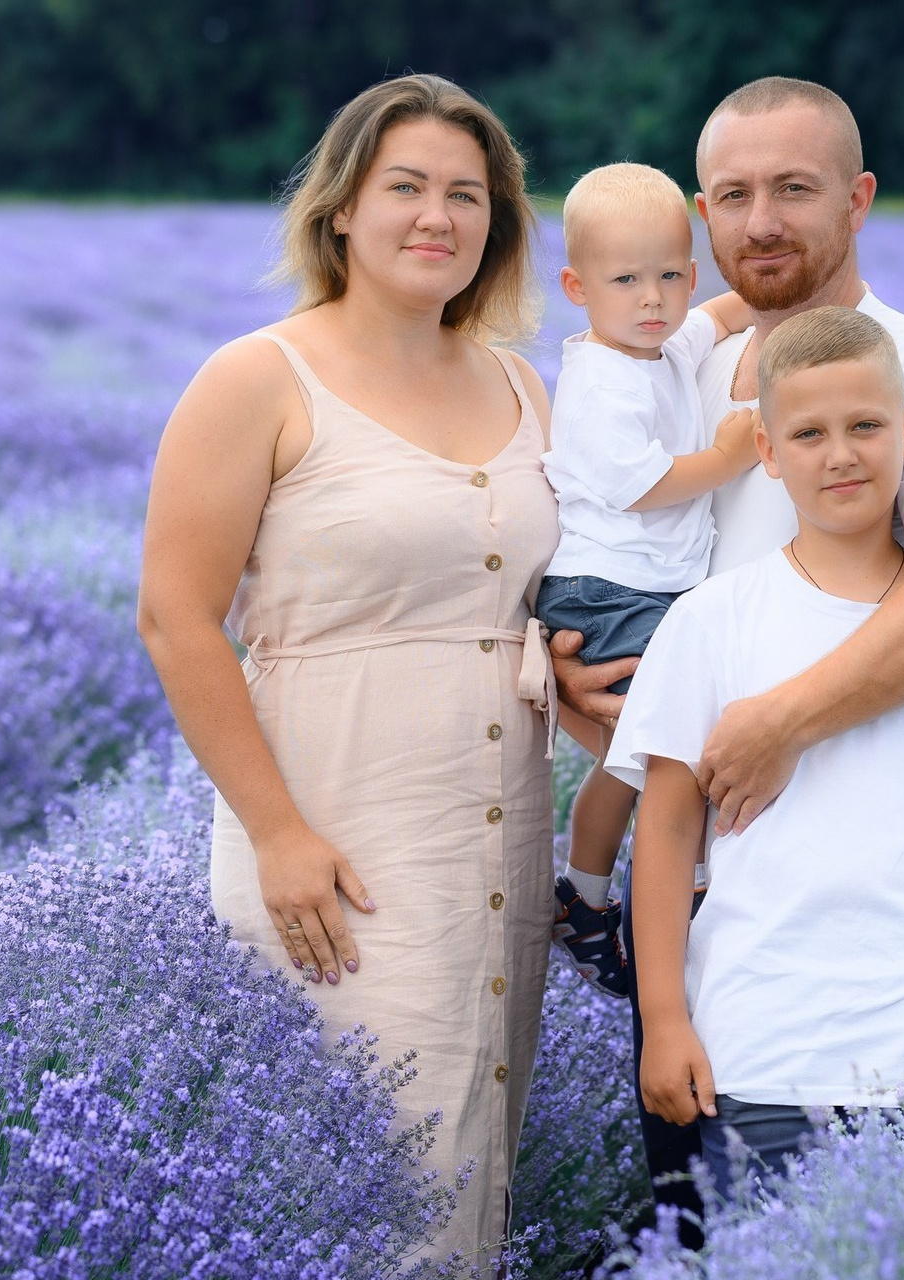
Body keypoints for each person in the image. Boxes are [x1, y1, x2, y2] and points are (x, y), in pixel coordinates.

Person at [550, 76, 904, 1232]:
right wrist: (558, 659)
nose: (759, 222)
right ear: (699, 217)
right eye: (732, 195)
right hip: (701, 909)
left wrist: (780, 719)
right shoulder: (677, 358)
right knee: (702, 1219)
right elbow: (593, 514)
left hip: (851, 914)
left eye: (793, 190)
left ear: (857, 199)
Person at [137, 74, 557, 1269]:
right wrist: (277, 834)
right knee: (351, 1193)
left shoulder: (522, 382)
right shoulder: (258, 376)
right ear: (339, 210)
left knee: (468, 1176)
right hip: (333, 844)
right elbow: (175, 617)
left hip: (497, 843)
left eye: (466, 194)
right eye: (405, 187)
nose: (437, 216)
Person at [608, 305, 904, 1200]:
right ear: (767, 451)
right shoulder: (712, 620)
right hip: (760, 1050)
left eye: (865, 426)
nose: (841, 455)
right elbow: (663, 832)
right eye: (808, 434)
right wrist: (664, 1019)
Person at [535, 162, 758, 998]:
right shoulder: (602, 380)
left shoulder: (664, 343)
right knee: (666, 755)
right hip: (606, 593)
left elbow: (719, 316)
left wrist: (787, 304)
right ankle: (661, 891)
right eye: (625, 281)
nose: (652, 299)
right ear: (577, 288)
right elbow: (643, 485)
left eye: (669, 276)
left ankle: (586, 896)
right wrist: (727, 457)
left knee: (638, 758)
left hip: (648, 592)